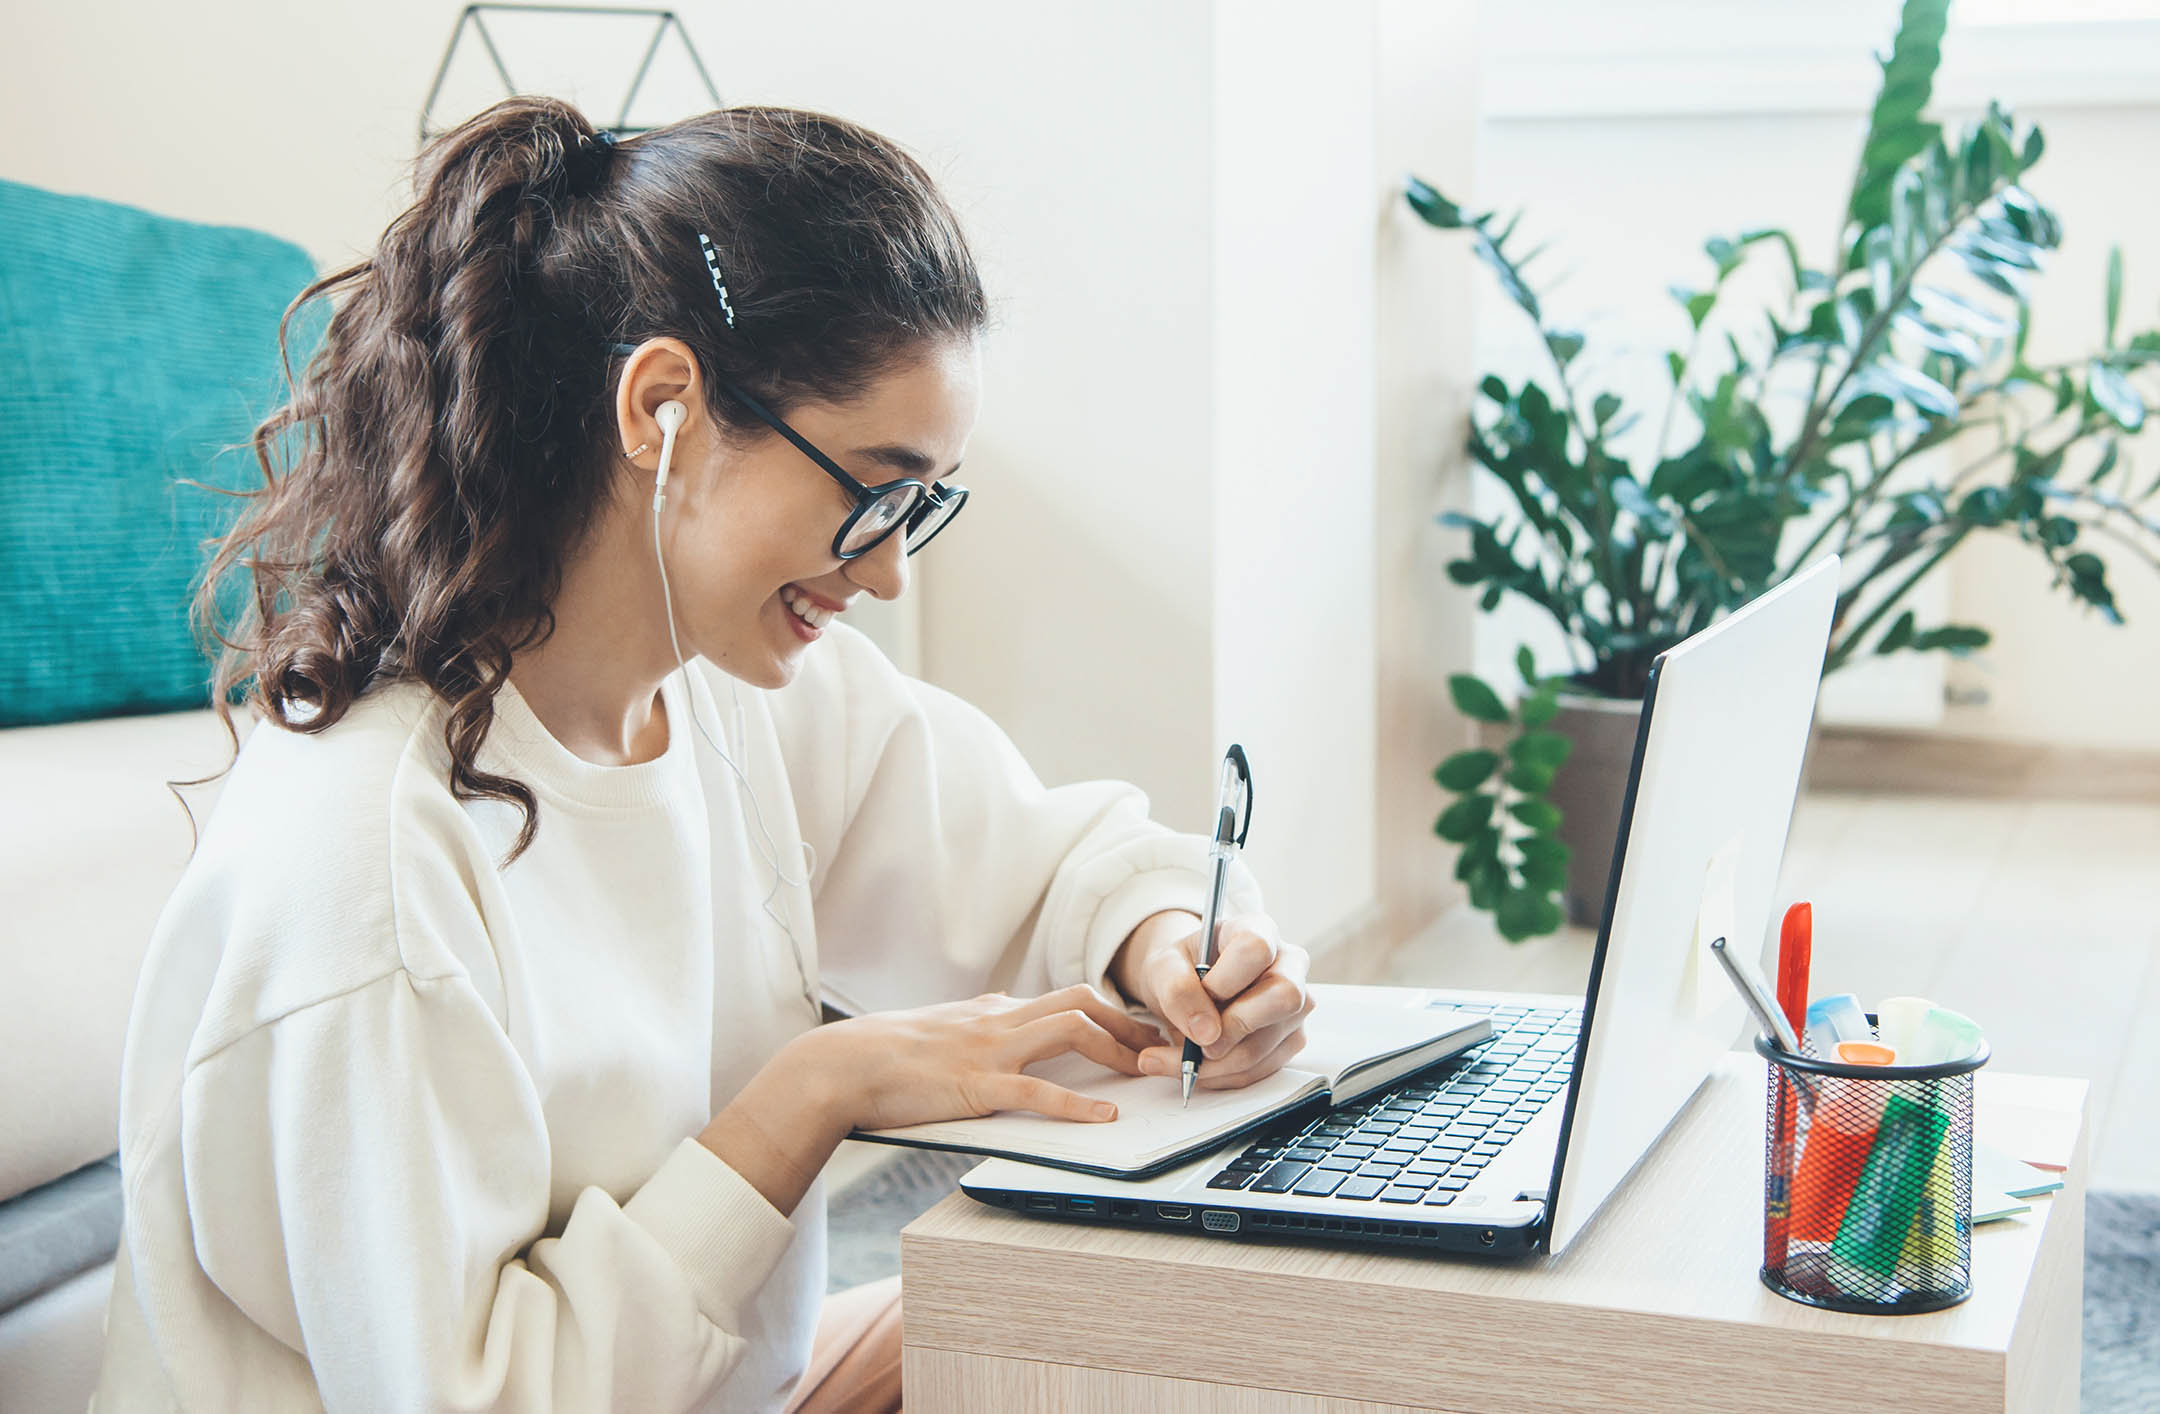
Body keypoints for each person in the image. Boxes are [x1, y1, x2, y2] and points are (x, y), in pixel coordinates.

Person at [91, 98, 1312, 1413]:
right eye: (871, 488)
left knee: (1124, 1330)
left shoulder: (728, 686)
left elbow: (1039, 861)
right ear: (661, 403)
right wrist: (812, 1093)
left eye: (924, 502)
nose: (892, 571)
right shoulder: (372, 870)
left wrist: (1173, 938)